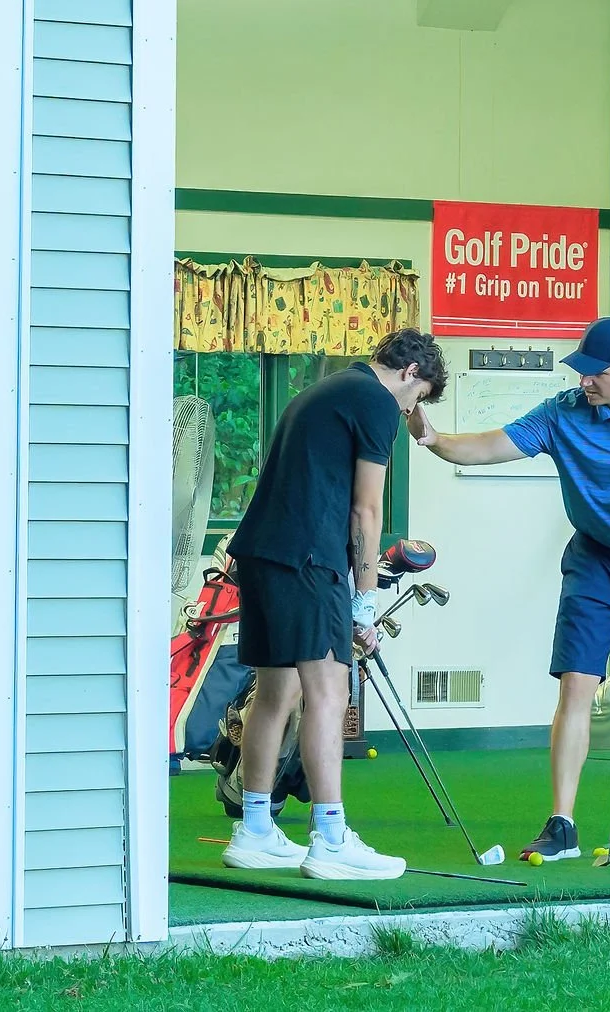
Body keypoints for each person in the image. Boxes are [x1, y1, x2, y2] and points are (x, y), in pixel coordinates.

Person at [407, 315, 610, 862]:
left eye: (595, 374)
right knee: (576, 684)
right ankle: (563, 824)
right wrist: (434, 439)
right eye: (582, 372)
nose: (585, 383)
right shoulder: (563, 413)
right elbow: (491, 445)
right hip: (596, 561)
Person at [220, 328, 448, 878]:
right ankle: (330, 838)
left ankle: (253, 828)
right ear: (410, 374)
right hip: (306, 559)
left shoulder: (330, 388)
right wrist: (363, 602)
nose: (410, 410)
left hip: (261, 552)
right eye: (416, 398)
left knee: (277, 690)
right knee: (329, 689)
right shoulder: (376, 401)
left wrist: (420, 421)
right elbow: (366, 511)